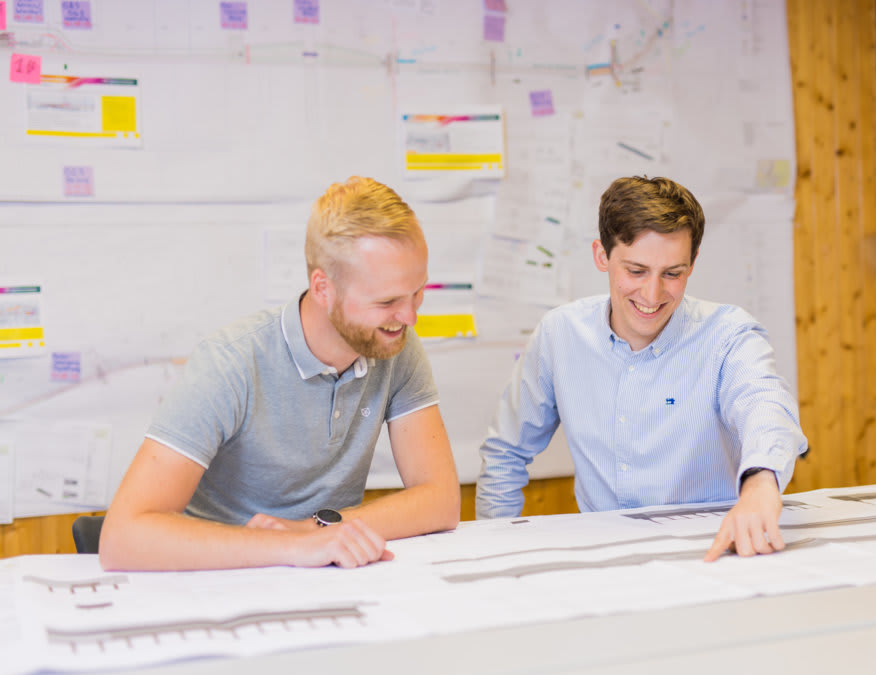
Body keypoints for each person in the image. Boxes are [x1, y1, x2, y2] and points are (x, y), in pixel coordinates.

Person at [100, 177, 461, 571]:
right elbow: (122, 538)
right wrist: (294, 546)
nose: (409, 317)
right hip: (222, 580)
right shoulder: (230, 363)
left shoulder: (394, 345)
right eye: (387, 301)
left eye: (417, 293)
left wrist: (313, 531)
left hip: (327, 577)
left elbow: (440, 500)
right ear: (323, 288)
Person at [476, 176, 807, 562]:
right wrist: (494, 550)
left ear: (692, 263)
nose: (652, 295)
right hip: (603, 561)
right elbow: (505, 452)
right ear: (602, 256)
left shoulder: (728, 335)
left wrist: (761, 481)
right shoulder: (559, 335)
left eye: (673, 273)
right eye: (636, 271)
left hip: (712, 555)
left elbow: (766, 405)